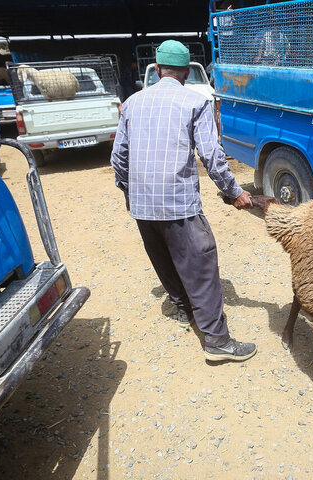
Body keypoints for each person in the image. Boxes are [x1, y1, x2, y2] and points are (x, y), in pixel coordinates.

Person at [110, 40, 256, 362]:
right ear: (187, 72)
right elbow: (212, 156)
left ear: (158, 69)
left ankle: (182, 308)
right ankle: (217, 342)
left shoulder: (132, 103)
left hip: (143, 206)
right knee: (201, 266)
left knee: (162, 257)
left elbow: (118, 157)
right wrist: (235, 192)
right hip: (179, 205)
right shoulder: (196, 102)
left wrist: (128, 191)